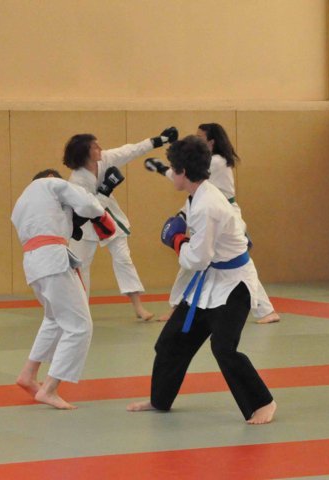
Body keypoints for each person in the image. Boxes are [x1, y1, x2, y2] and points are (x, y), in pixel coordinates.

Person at [127, 135, 277, 425]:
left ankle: (263, 402)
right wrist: (162, 169)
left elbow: (197, 258)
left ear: (184, 172)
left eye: (174, 169)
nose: (172, 173)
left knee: (224, 348)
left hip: (234, 284)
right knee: (170, 343)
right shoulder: (199, 189)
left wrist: (176, 239)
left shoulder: (208, 204)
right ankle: (160, 400)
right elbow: (176, 173)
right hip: (208, 284)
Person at [145, 123, 280, 324]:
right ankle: (177, 306)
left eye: (201, 138)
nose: (197, 140)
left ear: (212, 141)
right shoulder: (202, 186)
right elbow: (186, 180)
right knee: (207, 262)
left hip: (224, 215)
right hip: (216, 213)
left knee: (230, 263)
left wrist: (162, 168)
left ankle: (266, 310)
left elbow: (185, 174)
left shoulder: (215, 161)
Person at [11, 168, 116, 409]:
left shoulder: (21, 203)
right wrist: (101, 210)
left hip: (34, 263)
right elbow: (88, 206)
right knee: (79, 326)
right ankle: (49, 389)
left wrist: (69, 219)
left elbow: (61, 222)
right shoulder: (51, 184)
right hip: (53, 259)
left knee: (54, 319)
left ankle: (28, 375)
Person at [64, 128, 178, 321]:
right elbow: (88, 209)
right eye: (94, 146)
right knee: (80, 267)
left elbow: (130, 150)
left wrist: (160, 140)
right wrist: (105, 190)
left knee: (123, 259)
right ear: (85, 153)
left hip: (110, 220)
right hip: (83, 226)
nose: (100, 148)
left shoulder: (105, 159)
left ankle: (138, 307)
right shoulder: (77, 179)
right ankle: (79, 309)